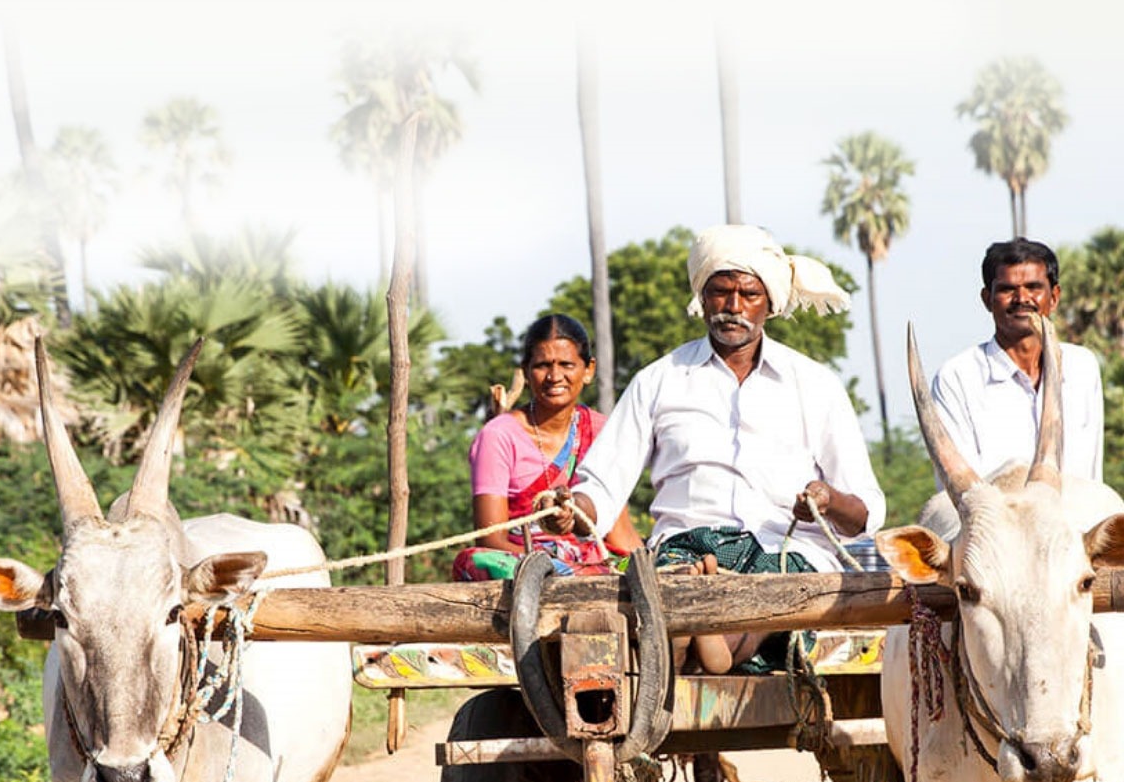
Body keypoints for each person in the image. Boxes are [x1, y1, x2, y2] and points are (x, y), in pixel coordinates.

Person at [553, 224, 886, 674]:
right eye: (720, 292)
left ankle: (704, 642)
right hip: (685, 549)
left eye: (747, 294)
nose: (733, 307)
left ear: (770, 302)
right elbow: (603, 484)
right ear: (702, 297)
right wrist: (573, 509)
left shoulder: (815, 385)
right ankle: (700, 639)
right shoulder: (659, 380)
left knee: (768, 592)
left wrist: (826, 501)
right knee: (668, 585)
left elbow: (865, 512)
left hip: (783, 554)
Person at [453, 314, 642, 581]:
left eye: (566, 364)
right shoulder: (498, 435)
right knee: (475, 560)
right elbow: (490, 538)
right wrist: (550, 565)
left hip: (591, 563)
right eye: (543, 365)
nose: (555, 376)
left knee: (645, 564)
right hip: (523, 563)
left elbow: (618, 528)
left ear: (588, 370)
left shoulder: (602, 430)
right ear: (527, 371)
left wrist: (651, 568)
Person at [930, 238, 1103, 481]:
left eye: (1033, 287)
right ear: (987, 299)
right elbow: (961, 488)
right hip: (996, 517)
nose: (1022, 298)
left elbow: (1091, 475)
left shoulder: (1081, 368)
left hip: (1073, 517)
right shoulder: (958, 377)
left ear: (1054, 296)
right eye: (1007, 289)